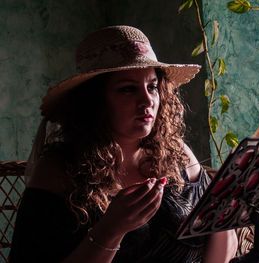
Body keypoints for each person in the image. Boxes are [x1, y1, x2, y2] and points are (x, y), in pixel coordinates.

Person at [9, 25, 237, 263]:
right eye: (128, 89)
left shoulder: (177, 153)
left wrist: (227, 207)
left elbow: (217, 257)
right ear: (94, 101)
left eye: (152, 87)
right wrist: (110, 231)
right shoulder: (58, 172)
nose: (147, 100)